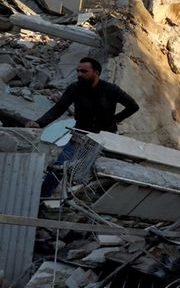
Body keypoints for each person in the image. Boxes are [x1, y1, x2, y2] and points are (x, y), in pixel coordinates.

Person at [26, 57, 139, 196]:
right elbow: (59, 108)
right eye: (78, 71)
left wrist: (115, 120)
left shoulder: (111, 89)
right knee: (59, 168)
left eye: (84, 71)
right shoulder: (74, 89)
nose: (79, 74)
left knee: (99, 174)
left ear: (96, 72)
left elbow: (133, 106)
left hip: (105, 139)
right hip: (80, 135)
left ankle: (92, 204)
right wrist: (39, 122)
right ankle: (41, 200)